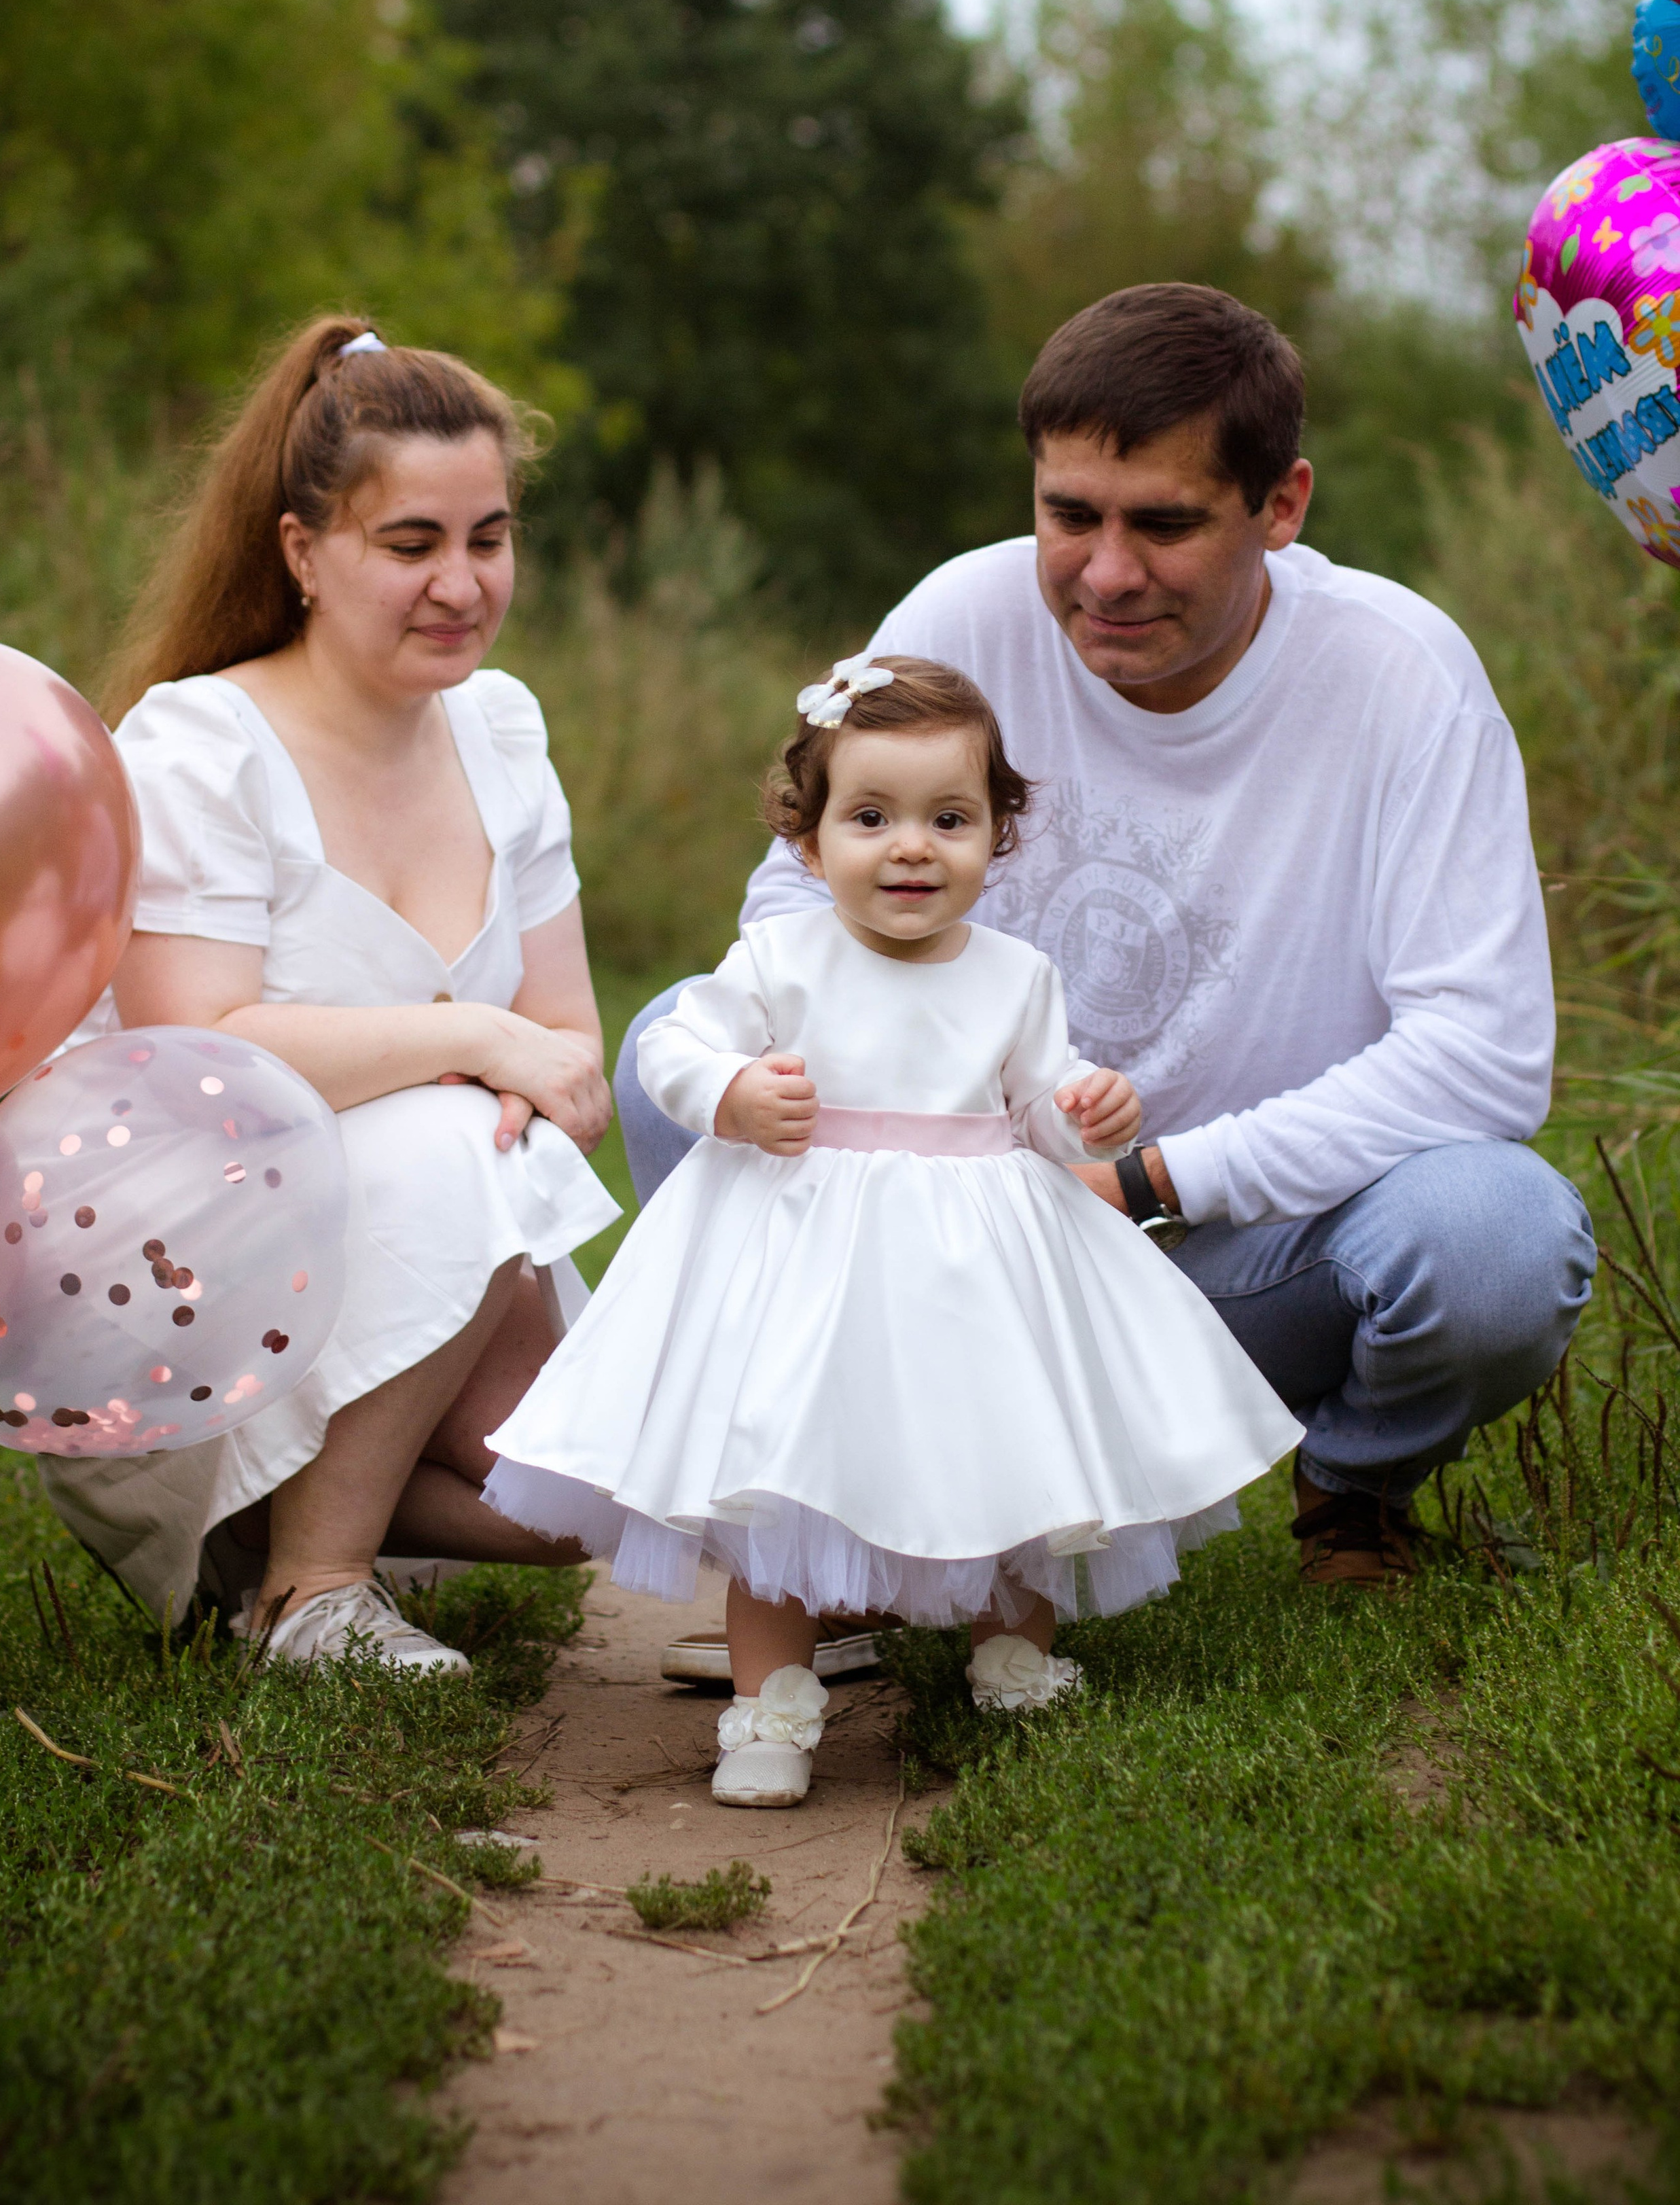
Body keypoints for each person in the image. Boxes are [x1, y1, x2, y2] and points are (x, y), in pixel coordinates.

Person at [618, 281, 1596, 1655]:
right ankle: (813, 1517)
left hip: (1236, 1260)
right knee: (676, 1046)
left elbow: (1483, 1054)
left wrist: (1152, 1177)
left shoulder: (1399, 679)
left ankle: (1352, 1484)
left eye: (1164, 523)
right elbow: (789, 908)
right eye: (1069, 515)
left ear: (1282, 505)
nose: (1105, 571)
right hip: (942, 1246)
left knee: (1494, 1234)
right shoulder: (959, 620)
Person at [483, 658, 1304, 1805]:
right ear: (809, 843)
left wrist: (1086, 1112)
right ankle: (770, 1706)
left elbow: (1038, 1101)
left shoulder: (1018, 975)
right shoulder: (783, 958)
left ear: (997, 838)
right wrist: (730, 1094)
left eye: (949, 819)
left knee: (1003, 1454)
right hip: (808, 1256)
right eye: (871, 818)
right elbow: (673, 1045)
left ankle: (1013, 1650)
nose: (911, 846)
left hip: (976, 1263)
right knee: (779, 1482)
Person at [41, 317, 622, 1674]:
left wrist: (550, 1075)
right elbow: (201, 1054)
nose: (462, 585)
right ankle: (308, 1592)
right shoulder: (201, 745)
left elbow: (572, 1037)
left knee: (576, 1505)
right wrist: (478, 1044)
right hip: (189, 1260)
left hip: (438, 1217)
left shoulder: (501, 728)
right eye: (408, 544)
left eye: (489, 538)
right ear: (304, 551)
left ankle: (263, 1507)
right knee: (454, 1131)